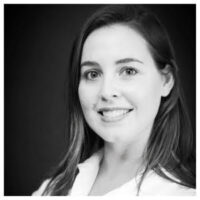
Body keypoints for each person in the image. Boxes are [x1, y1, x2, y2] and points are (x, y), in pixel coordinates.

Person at [32, 5, 196, 196]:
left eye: (129, 71)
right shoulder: (51, 189)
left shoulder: (186, 194)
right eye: (92, 74)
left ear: (166, 80)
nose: (107, 92)